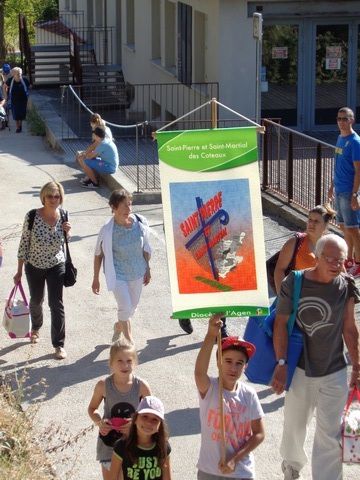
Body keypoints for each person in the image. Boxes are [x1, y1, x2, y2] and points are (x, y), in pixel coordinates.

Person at [271, 234, 360, 480]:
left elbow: (349, 328)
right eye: (329, 258)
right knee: (295, 425)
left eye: (340, 260)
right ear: (317, 257)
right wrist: (281, 363)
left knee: (330, 434)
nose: (335, 264)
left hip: (334, 369)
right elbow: (280, 324)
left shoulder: (347, 285)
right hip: (300, 368)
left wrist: (357, 366)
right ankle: (292, 464)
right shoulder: (295, 282)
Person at [195, 315, 265, 479]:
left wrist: (235, 459)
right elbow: (199, 372)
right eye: (228, 361)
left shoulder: (249, 395)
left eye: (239, 363)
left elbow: (259, 433)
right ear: (218, 361)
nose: (233, 368)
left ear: (245, 366)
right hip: (209, 471)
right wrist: (211, 334)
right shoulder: (209, 389)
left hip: (240, 472)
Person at [13, 181, 71, 359]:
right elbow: (24, 243)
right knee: (36, 300)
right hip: (34, 265)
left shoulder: (63, 215)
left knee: (56, 304)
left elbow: (64, 241)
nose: (53, 199)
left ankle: (59, 345)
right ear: (43, 197)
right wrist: (19, 270)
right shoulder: (32, 216)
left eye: (57, 196)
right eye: (50, 196)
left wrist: (67, 232)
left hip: (56, 265)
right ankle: (36, 327)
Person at [88, 336, 151, 480]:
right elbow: (92, 409)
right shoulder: (103, 385)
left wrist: (135, 425)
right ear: (111, 363)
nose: (125, 365)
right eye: (120, 361)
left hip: (133, 445)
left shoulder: (141, 386)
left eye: (129, 361)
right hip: (108, 446)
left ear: (135, 362)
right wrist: (99, 422)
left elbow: (152, 416)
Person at [92, 189, 151, 343]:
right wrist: (96, 278)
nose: (128, 209)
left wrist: (148, 269)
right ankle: (129, 341)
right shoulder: (107, 230)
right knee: (125, 307)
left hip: (137, 272)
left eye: (130, 205)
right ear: (114, 207)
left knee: (131, 308)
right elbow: (98, 254)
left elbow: (146, 248)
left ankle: (119, 326)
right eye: (124, 206)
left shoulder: (140, 223)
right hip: (118, 274)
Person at [274, 204, 336, 294]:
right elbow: (279, 270)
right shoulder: (295, 242)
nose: (311, 224)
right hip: (299, 298)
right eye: (310, 220)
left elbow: (341, 274)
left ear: (325, 225)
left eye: (316, 221)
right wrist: (283, 297)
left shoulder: (332, 245)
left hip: (325, 298)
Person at [328, 107, 360, 278]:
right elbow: (338, 165)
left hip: (349, 191)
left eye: (344, 118)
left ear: (351, 120)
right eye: (339, 118)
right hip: (339, 189)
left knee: (353, 228)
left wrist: (355, 195)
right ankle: (348, 260)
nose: (341, 121)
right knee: (343, 226)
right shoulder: (340, 138)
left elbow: (358, 171)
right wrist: (332, 186)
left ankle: (359, 263)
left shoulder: (355, 142)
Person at [108, 395, 172, 480]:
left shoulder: (163, 446)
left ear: (160, 425)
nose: (149, 422)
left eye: (155, 419)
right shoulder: (121, 446)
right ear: (135, 419)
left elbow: (167, 477)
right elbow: (112, 477)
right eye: (145, 416)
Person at [5, 66, 30, 133]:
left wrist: (28, 93)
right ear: (14, 74)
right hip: (14, 99)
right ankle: (17, 127)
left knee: (21, 113)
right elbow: (5, 86)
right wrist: (6, 95)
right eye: (18, 73)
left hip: (23, 100)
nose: (19, 74)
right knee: (15, 113)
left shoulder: (24, 80)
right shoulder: (10, 80)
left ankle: (20, 125)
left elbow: (29, 86)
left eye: (20, 73)